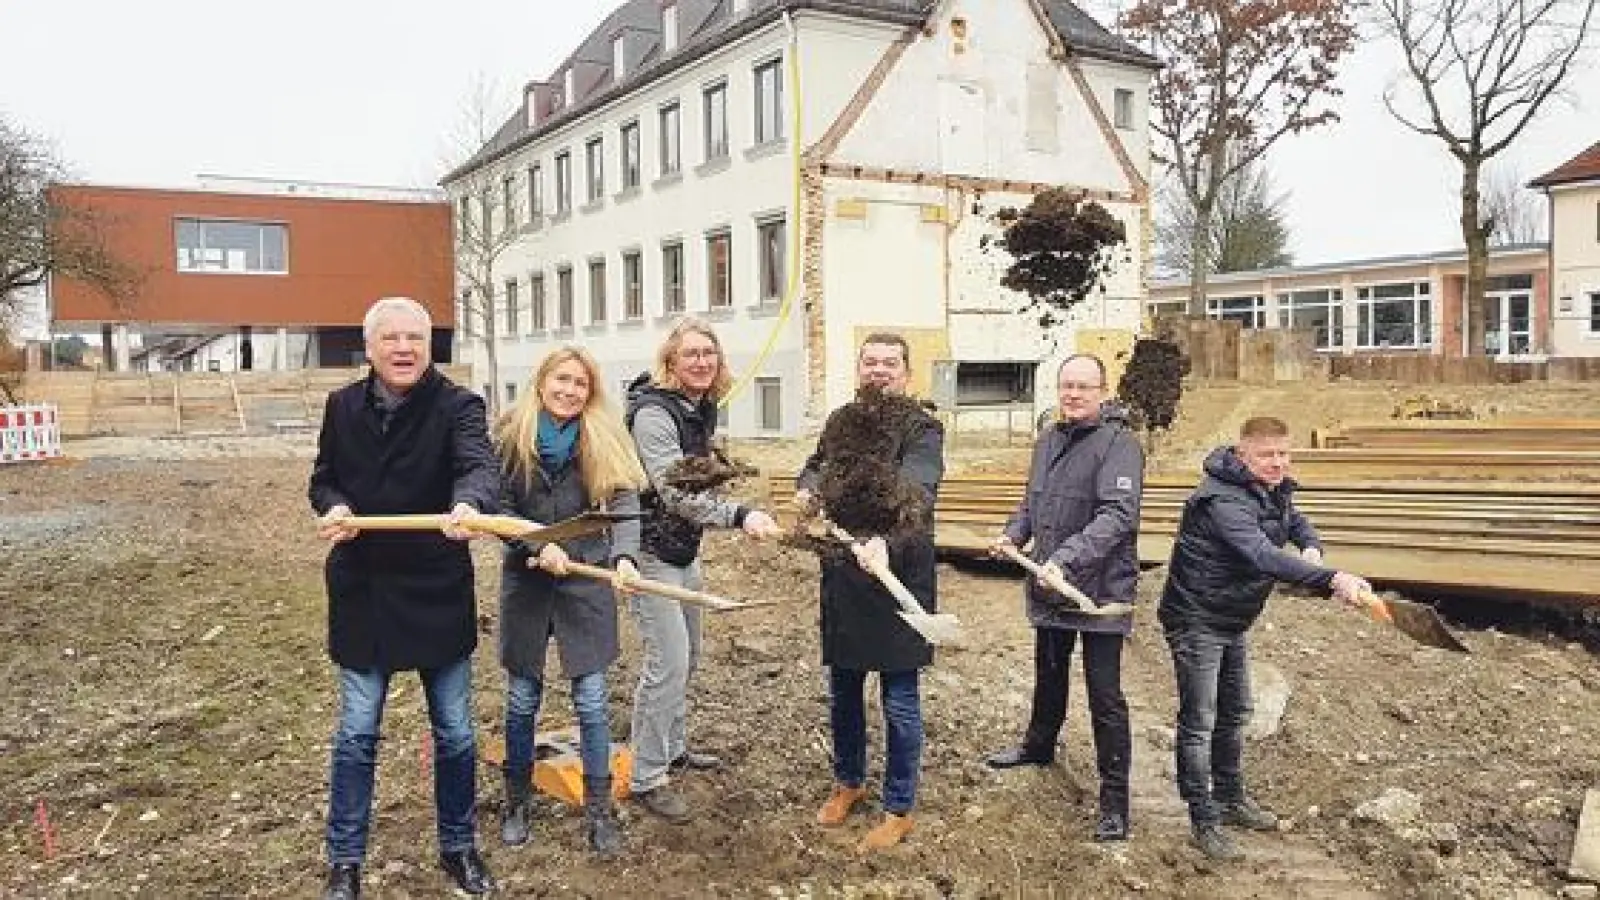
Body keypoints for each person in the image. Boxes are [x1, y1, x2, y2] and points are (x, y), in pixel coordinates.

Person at [309, 297, 499, 899]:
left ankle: (458, 847)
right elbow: (323, 478)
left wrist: (469, 504)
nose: (403, 348)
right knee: (356, 734)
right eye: (390, 338)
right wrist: (334, 506)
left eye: (414, 337)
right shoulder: (342, 406)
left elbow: (479, 468)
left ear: (428, 344)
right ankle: (345, 861)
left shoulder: (458, 405)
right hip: (364, 589)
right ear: (369, 348)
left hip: (436, 587)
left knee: (456, 733)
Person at [1159, 416, 1371, 862]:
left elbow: (1296, 522)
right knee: (1199, 720)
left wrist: (1311, 547)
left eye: (1283, 454)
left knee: (1236, 712)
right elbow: (1261, 555)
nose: (1277, 463)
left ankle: (1230, 799)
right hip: (1196, 618)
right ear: (1242, 455)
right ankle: (1203, 820)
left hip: (1230, 618)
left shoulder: (1270, 488)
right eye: (1266, 455)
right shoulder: (1222, 500)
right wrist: (1331, 578)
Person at [623, 316, 783, 822]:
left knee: (688, 657)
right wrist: (739, 514)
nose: (701, 361)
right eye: (690, 353)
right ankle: (648, 776)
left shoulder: (699, 407)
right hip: (649, 550)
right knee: (667, 663)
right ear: (670, 361)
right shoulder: (653, 414)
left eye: (708, 353)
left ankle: (672, 749)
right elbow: (674, 491)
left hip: (682, 549)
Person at [493, 346, 647, 858]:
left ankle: (599, 809)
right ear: (542, 382)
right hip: (528, 582)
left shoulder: (601, 435)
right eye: (561, 380)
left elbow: (624, 501)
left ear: (590, 392)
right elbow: (499, 508)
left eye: (580, 384)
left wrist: (624, 558)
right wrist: (537, 544)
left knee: (593, 700)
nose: (569, 391)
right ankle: (517, 801)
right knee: (522, 698)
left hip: (585, 579)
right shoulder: (511, 435)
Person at [796, 333, 945, 852]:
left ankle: (899, 807)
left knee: (899, 700)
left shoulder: (921, 428)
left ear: (906, 373)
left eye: (890, 363)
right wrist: (807, 487)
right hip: (845, 572)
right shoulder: (842, 421)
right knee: (844, 691)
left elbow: (917, 494)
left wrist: (885, 541)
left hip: (898, 571)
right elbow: (817, 464)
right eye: (871, 362)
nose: (879, 370)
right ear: (859, 368)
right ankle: (849, 781)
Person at [985, 354, 1143, 843]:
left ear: (1103, 391)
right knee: (1049, 671)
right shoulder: (1049, 440)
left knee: (1104, 694)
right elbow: (1032, 502)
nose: (1073, 394)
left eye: (1084, 387)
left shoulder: (1119, 445)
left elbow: (1118, 516)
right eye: (1066, 386)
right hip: (1051, 580)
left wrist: (1066, 561)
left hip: (1098, 589)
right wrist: (1014, 534)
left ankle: (1114, 802)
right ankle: (1038, 747)